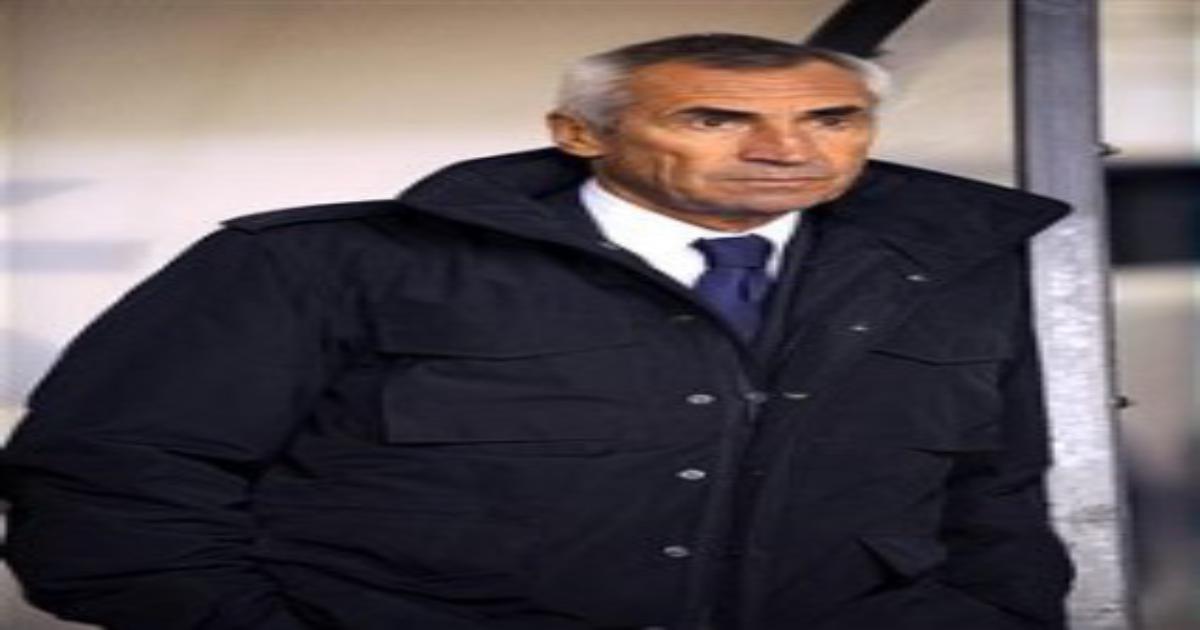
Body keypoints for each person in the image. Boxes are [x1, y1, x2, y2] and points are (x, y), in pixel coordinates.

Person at [1, 33, 1073, 630]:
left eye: (831, 119)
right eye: (714, 118)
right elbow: (109, 489)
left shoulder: (952, 273)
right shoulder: (321, 263)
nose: (787, 150)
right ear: (578, 133)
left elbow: (998, 498)